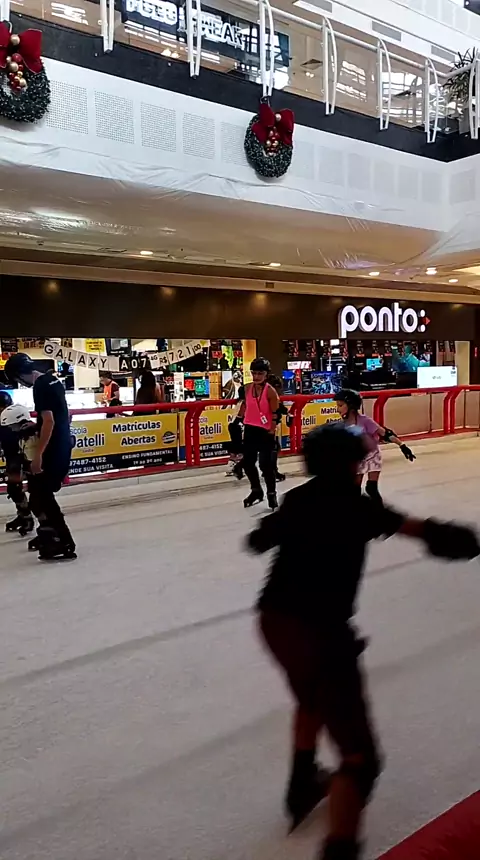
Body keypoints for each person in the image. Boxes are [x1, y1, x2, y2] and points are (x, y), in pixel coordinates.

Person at [246, 422, 480, 860]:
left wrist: (274, 531)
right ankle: (339, 850)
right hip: (320, 634)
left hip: (275, 622)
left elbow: (258, 539)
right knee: (360, 760)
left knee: (310, 699)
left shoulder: (299, 499)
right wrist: (454, 538)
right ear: (350, 466)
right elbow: (414, 528)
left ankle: (302, 781)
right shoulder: (357, 509)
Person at [4, 353, 76, 560]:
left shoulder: (40, 386)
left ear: (20, 374)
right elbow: (61, 415)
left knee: (42, 495)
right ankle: (50, 534)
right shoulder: (53, 380)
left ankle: (63, 541)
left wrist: (38, 455)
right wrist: (37, 427)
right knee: (38, 494)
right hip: (61, 443)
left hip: (53, 448)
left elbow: (49, 420)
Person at [334, 389, 415, 502]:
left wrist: (402, 445)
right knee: (354, 490)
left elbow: (385, 434)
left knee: (371, 488)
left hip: (372, 456)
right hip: (357, 457)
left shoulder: (365, 421)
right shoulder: (342, 425)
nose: (337, 409)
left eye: (340, 405)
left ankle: (379, 511)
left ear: (351, 406)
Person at [237, 358, 279, 510]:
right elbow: (244, 405)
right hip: (250, 429)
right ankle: (256, 490)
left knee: (265, 465)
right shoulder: (247, 388)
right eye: (254, 373)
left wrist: (272, 431)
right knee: (248, 462)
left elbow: (275, 413)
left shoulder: (270, 391)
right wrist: (238, 420)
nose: (256, 377)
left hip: (265, 431)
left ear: (266, 374)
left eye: (260, 373)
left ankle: (271, 493)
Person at [0, 394, 34, 536]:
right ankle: (24, 515)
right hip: (12, 457)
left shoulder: (15, 418)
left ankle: (28, 517)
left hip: (22, 456)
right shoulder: (5, 420)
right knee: (14, 488)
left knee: (32, 489)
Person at [267, 373, 289, 482]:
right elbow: (278, 408)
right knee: (272, 448)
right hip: (268, 426)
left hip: (268, 425)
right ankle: (272, 472)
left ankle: (271, 471)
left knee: (271, 448)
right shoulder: (271, 397)